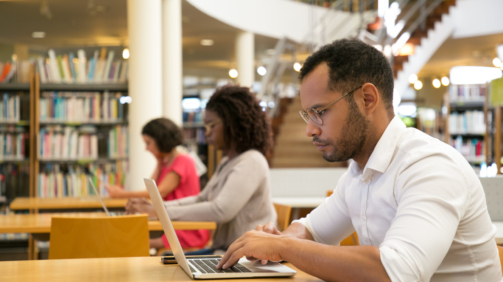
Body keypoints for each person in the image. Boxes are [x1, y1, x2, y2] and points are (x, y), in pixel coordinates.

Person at [216, 39, 502, 282]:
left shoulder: (430, 166)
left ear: (367, 99)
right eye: (307, 115)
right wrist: (277, 241)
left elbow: (395, 272)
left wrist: (284, 246)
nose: (310, 130)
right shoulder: (358, 173)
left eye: (320, 112)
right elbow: (312, 231)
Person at [126, 85, 277, 253]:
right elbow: (201, 199)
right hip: (226, 250)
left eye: (211, 126)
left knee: (165, 264)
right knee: (166, 261)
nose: (207, 134)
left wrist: (159, 211)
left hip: (244, 256)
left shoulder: (252, 161)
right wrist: (159, 206)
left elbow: (220, 210)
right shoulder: (228, 161)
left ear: (232, 124)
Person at [106, 118, 210, 250]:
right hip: (174, 224)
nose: (146, 148)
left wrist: (121, 194)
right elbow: (151, 188)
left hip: (187, 229)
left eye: (148, 143)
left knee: (131, 241)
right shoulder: (167, 162)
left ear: (161, 141)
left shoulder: (183, 160)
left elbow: (159, 192)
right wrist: (159, 162)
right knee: (131, 239)